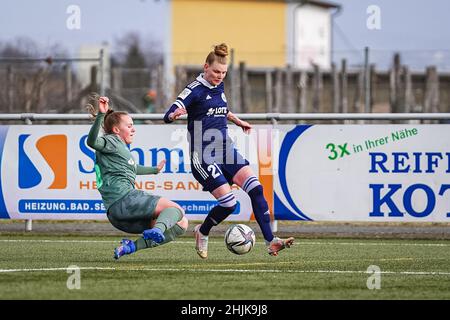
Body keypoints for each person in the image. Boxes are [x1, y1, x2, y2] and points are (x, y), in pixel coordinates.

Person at [163, 43, 294, 259]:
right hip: (203, 155)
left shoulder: (219, 86)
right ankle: (202, 231)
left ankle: (272, 241)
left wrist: (236, 119)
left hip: (225, 149)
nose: (219, 76)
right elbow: (167, 114)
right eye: (216, 71)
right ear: (206, 67)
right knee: (229, 204)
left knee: (256, 188)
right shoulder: (193, 90)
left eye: (223, 73)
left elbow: (219, 109)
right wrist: (173, 115)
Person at [87, 95, 188, 260]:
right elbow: (91, 142)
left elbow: (133, 168)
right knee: (176, 210)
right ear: (116, 130)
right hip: (125, 200)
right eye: (129, 125)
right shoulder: (112, 141)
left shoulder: (119, 149)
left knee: (181, 224)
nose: (133, 129)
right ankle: (156, 231)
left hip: (117, 216)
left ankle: (130, 247)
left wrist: (154, 170)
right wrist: (100, 115)